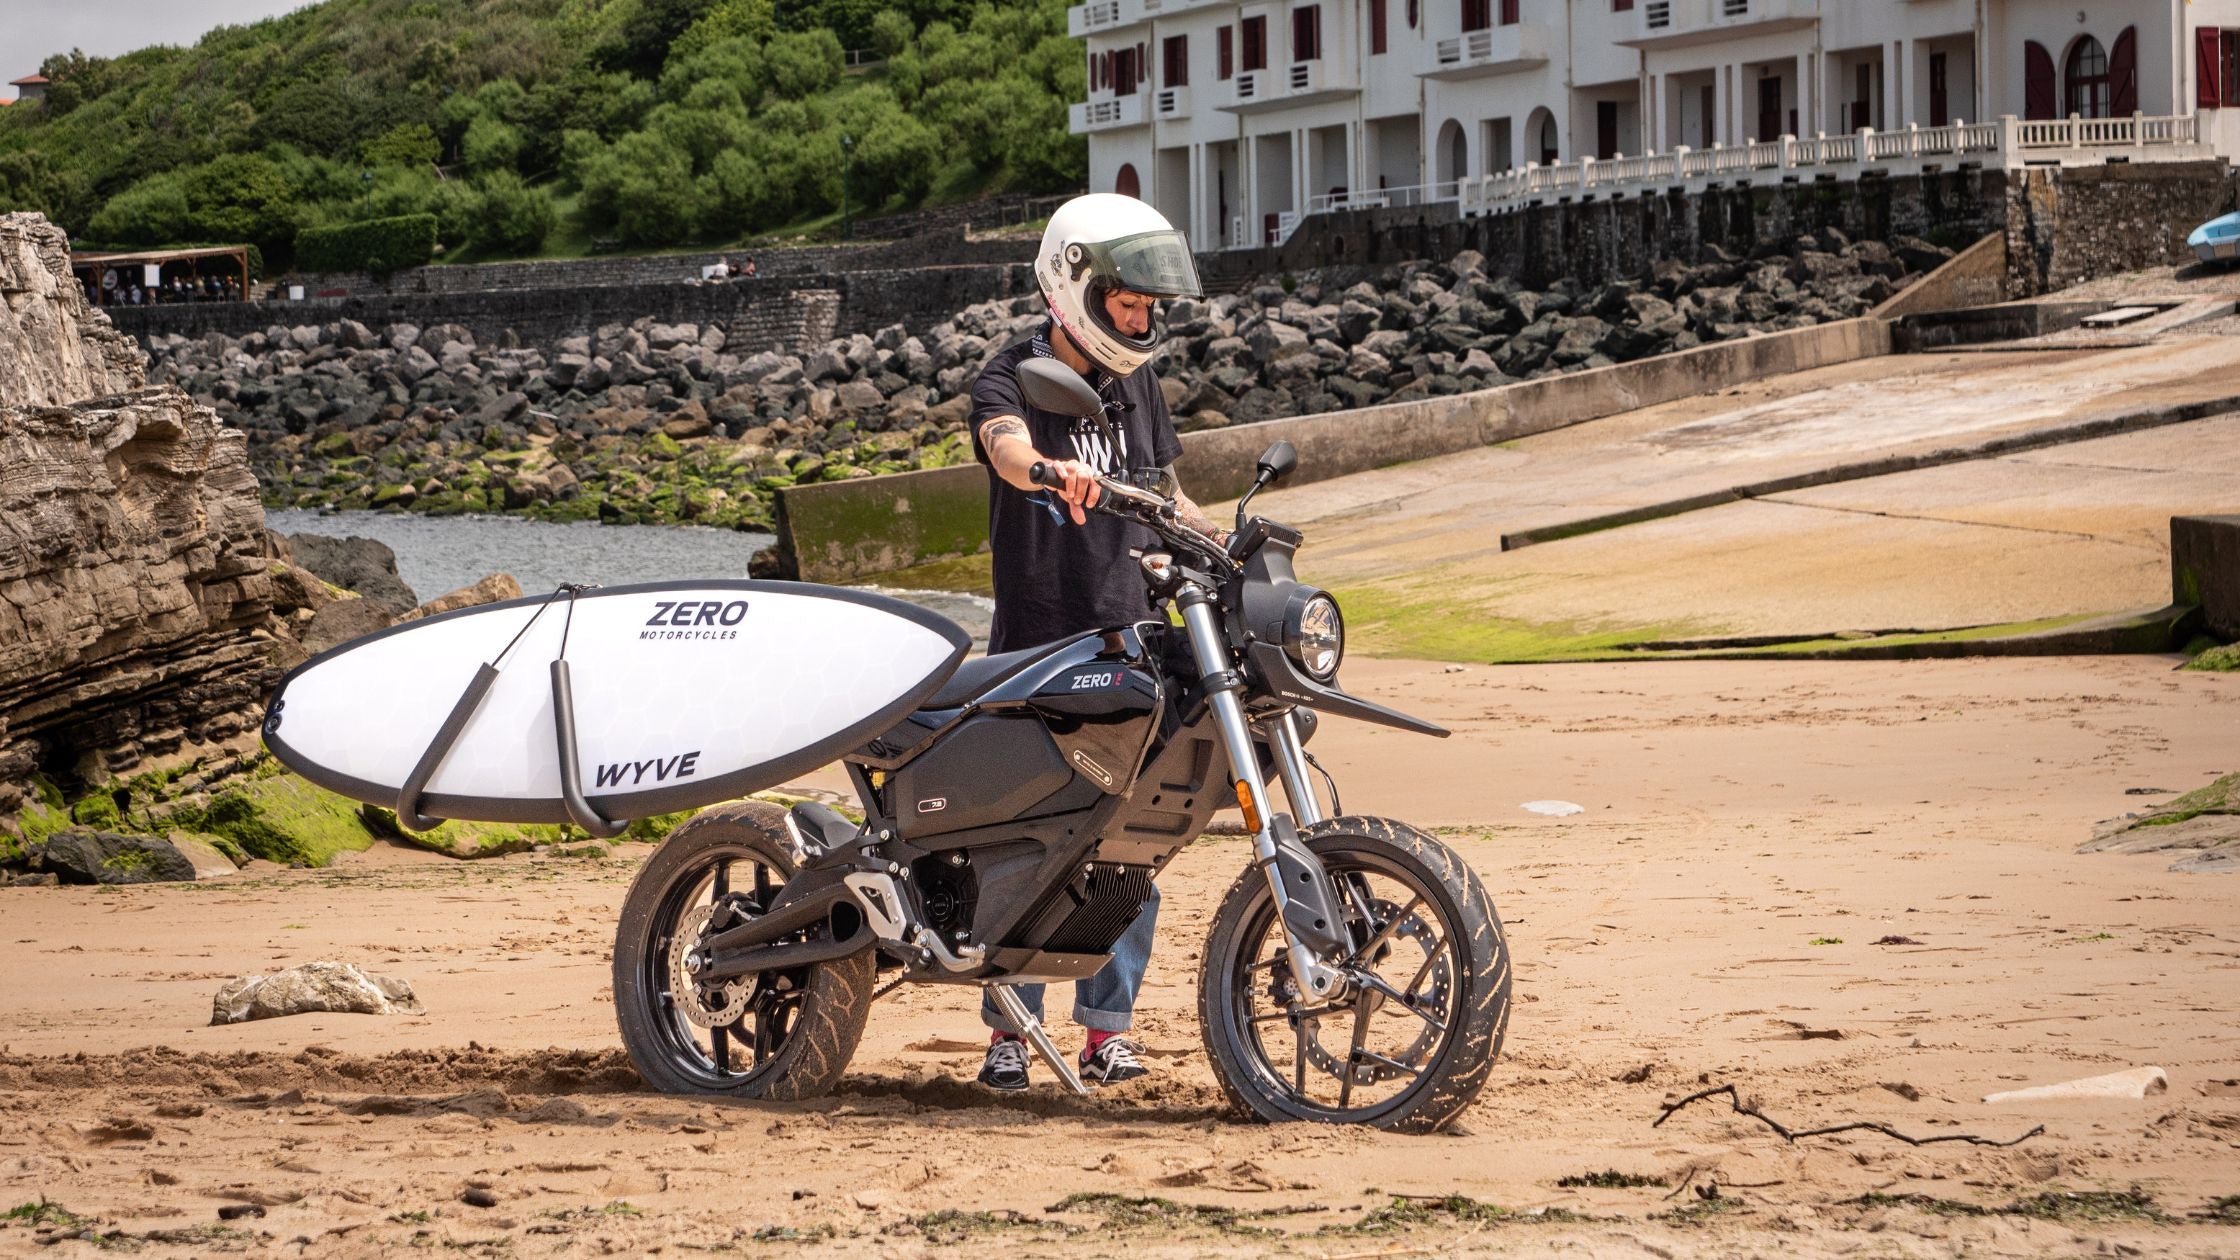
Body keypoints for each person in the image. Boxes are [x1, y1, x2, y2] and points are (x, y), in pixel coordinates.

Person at [965, 192, 1223, 1092]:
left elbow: (1165, 488)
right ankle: (1008, 1032)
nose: (1144, 319)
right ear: (1079, 287)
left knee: (1132, 840)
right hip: (1043, 642)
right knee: (1029, 841)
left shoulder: (1138, 382)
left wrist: (1221, 540)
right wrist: (1047, 468)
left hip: (1135, 635)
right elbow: (1002, 446)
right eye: (1130, 303)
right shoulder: (1009, 378)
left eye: (1152, 306)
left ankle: (1105, 1030)